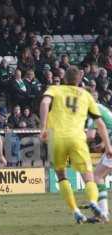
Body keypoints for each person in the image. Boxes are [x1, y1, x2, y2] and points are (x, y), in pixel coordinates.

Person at [40, 66, 112, 224]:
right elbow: (99, 123)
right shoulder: (86, 95)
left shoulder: (55, 89)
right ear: (79, 80)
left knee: (61, 176)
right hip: (78, 139)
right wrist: (107, 146)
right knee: (89, 177)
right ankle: (93, 201)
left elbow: (45, 104)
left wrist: (43, 128)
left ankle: (76, 211)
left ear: (64, 78)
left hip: (57, 138)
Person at [87, 102, 112, 221]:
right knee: (98, 175)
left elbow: (90, 136)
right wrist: (103, 144)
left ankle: (103, 213)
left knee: (97, 176)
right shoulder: (101, 107)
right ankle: (103, 212)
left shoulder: (92, 110)